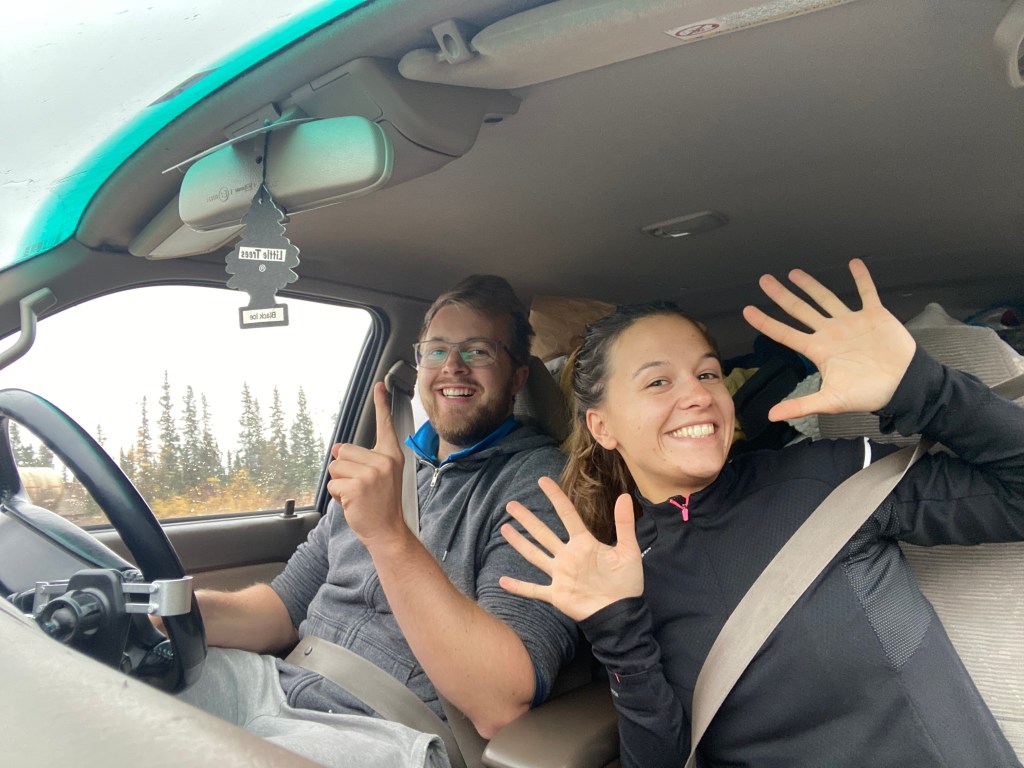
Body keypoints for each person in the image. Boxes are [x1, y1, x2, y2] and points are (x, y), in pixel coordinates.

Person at [498, 259, 1024, 768]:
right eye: (658, 382)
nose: (698, 395)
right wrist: (617, 628)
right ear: (602, 426)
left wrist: (922, 389)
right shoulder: (619, 575)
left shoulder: (827, 479)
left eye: (708, 374)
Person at [176, 275, 578, 768]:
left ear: (517, 377)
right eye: (436, 350)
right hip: (273, 684)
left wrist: (388, 533)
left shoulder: (541, 485)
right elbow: (283, 608)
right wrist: (177, 613)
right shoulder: (386, 469)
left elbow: (501, 700)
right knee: (122, 686)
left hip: (387, 728)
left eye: (478, 351)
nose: (453, 366)